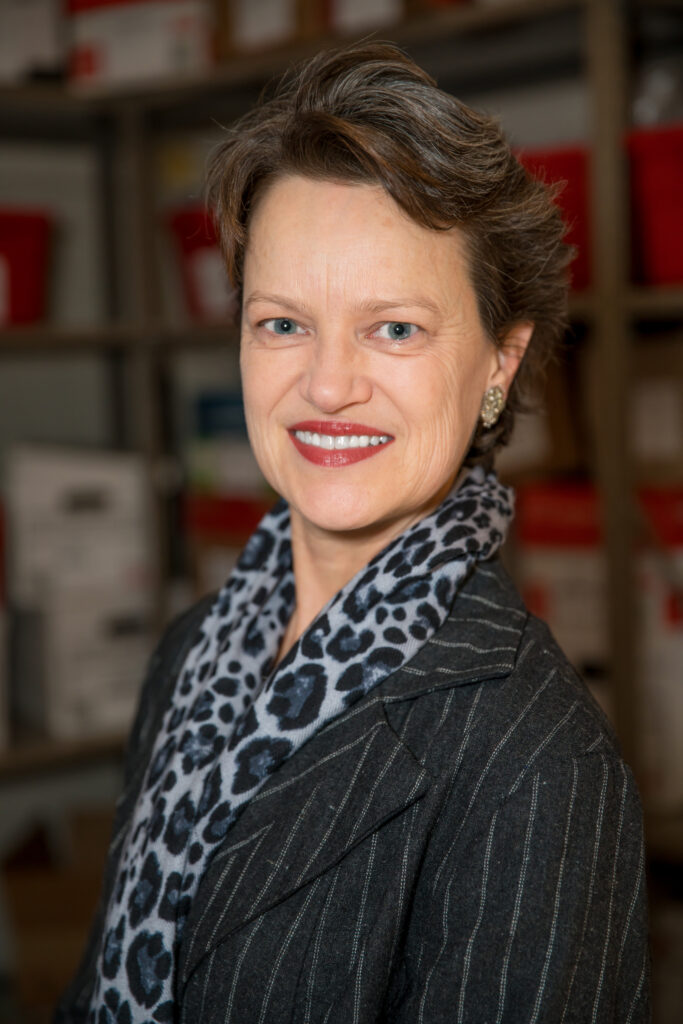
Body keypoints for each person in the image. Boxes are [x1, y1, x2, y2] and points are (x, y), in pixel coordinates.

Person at [56, 41, 649, 1024]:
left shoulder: (536, 764)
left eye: (395, 329)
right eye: (282, 323)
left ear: (500, 361)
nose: (326, 385)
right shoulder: (189, 655)